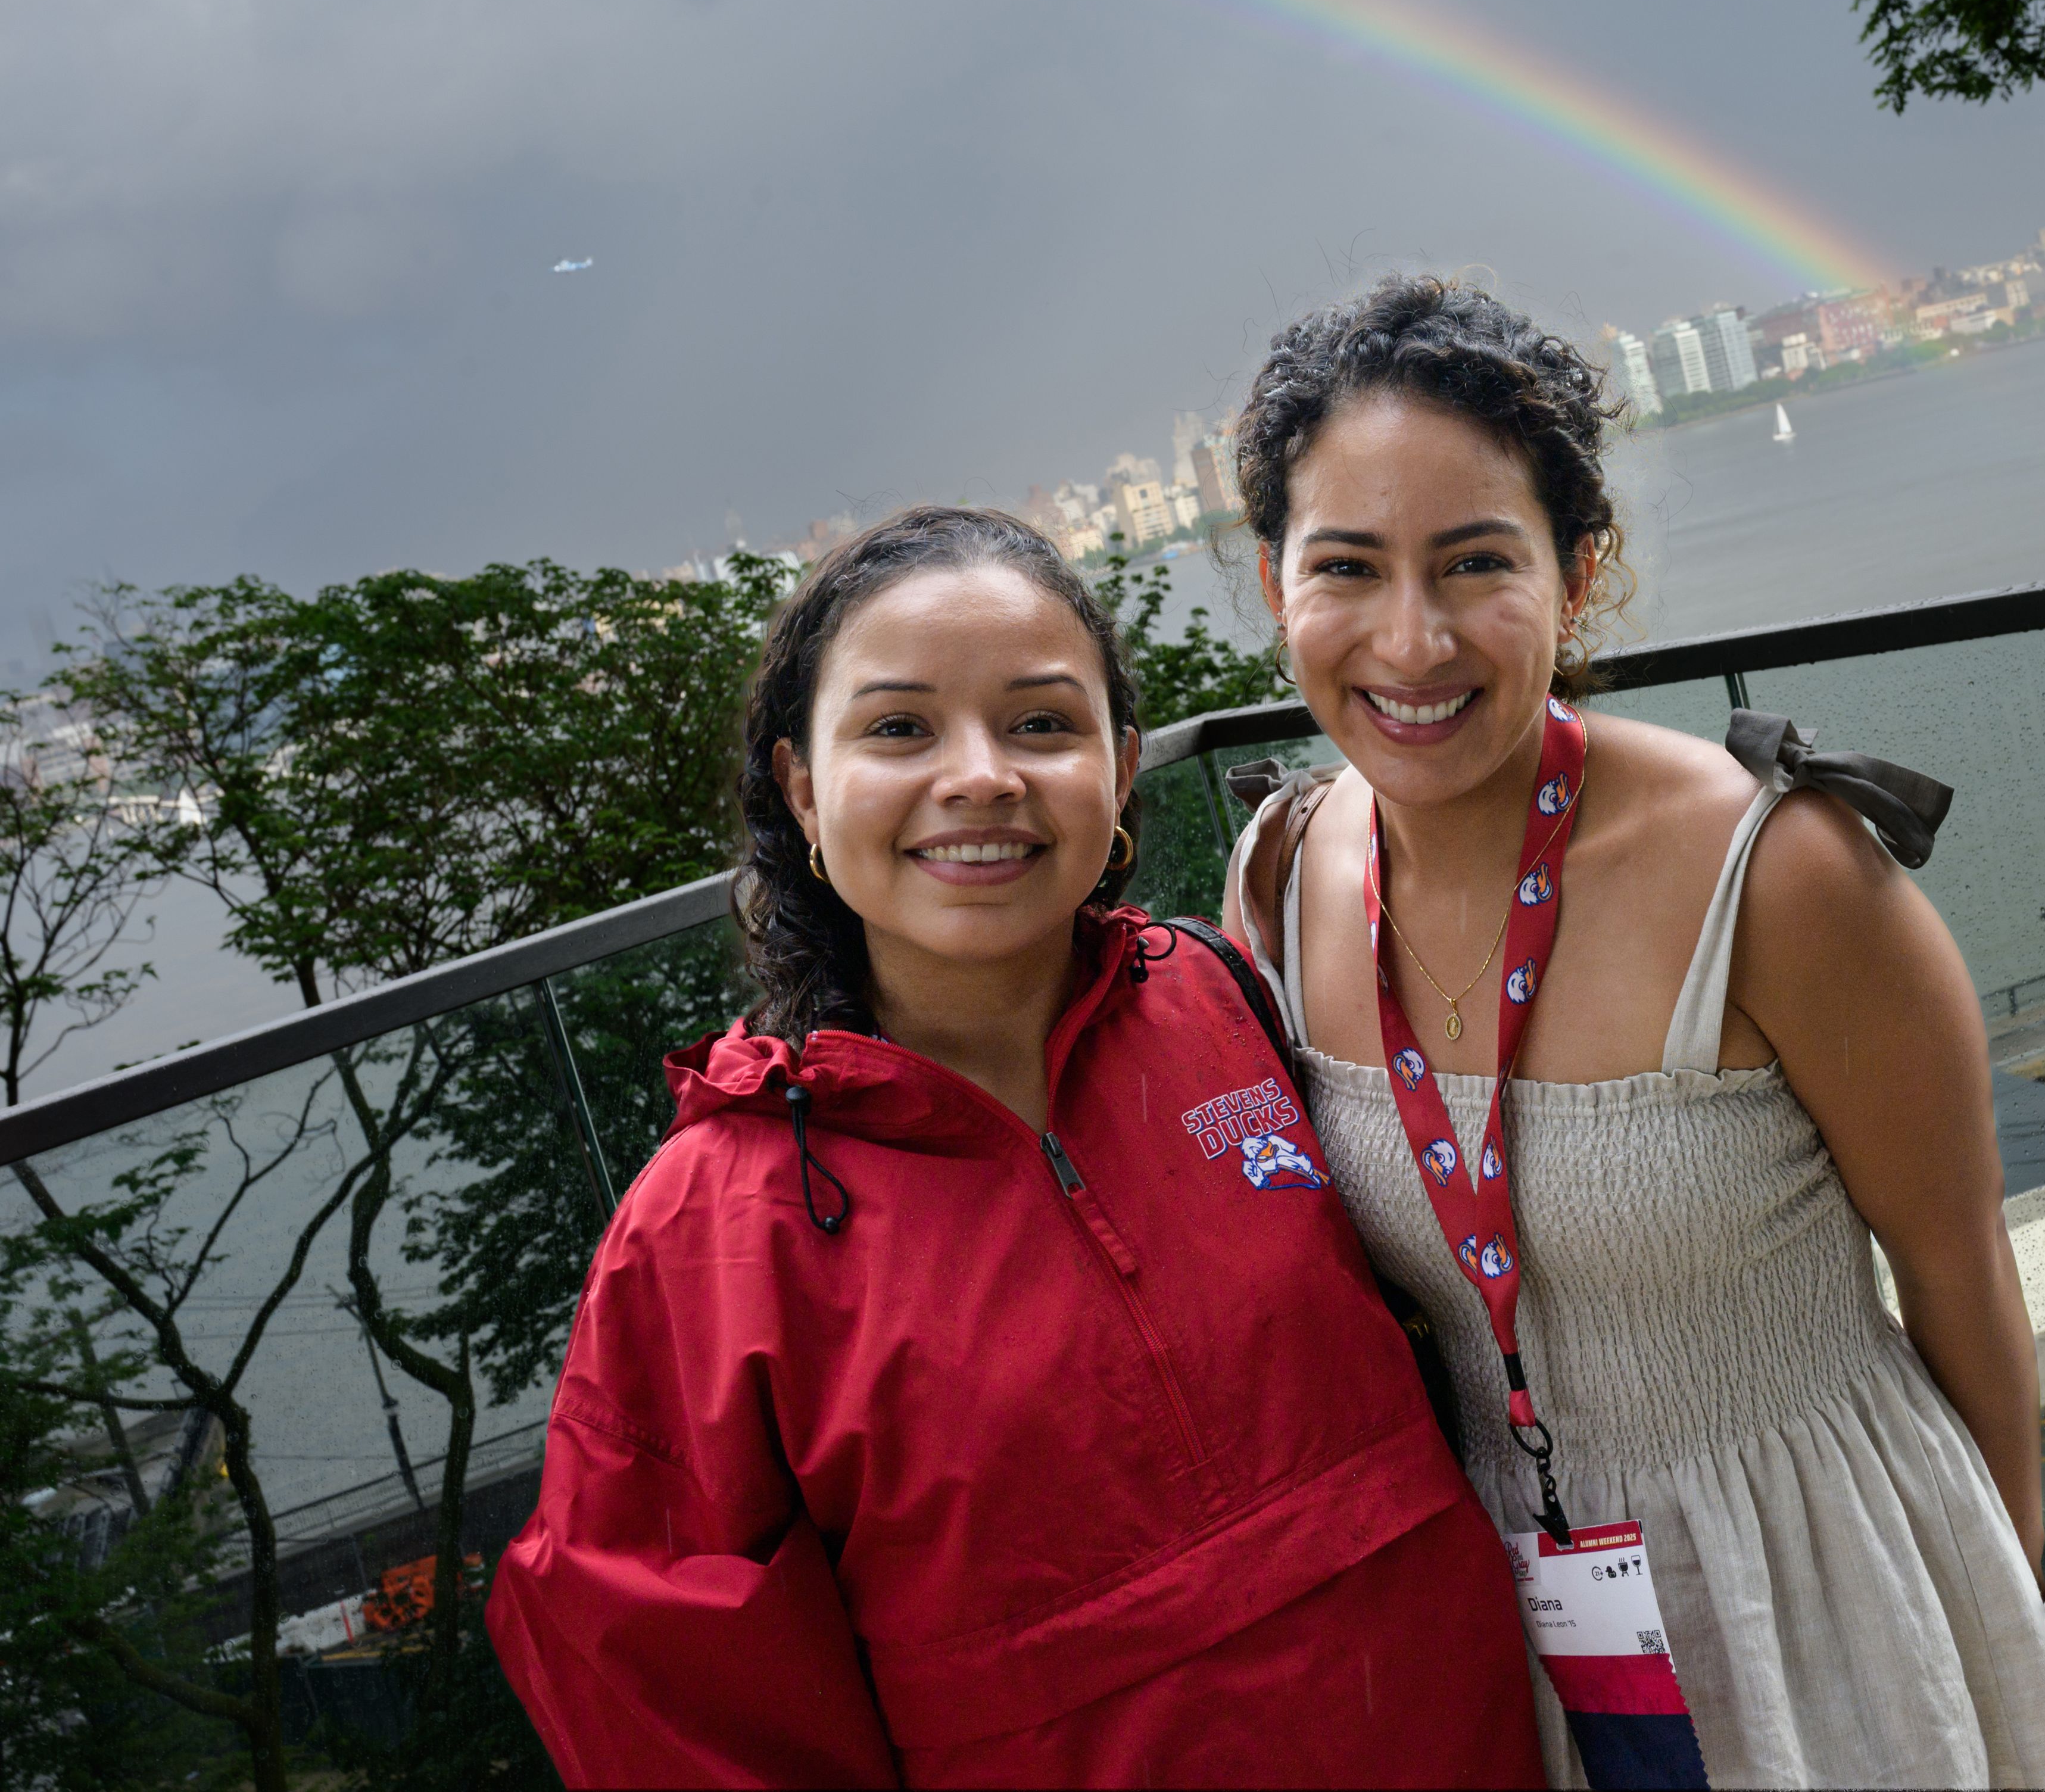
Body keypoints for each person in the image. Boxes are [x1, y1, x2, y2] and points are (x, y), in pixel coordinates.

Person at [487, 506, 1544, 1789]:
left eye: (1042, 722)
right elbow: (671, 1715)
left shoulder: (1228, 1002)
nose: (980, 774)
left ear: (1120, 766)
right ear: (803, 790)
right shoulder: (708, 1235)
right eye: (898, 728)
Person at [1221, 279, 2045, 1790]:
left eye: (1474, 561)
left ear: (1579, 571)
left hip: (1836, 1595)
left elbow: (1959, 1275)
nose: (1411, 637)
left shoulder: (1782, 872)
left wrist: (1989, 1631)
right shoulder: (1278, 876)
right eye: (1348, 567)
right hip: (1501, 1637)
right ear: (1272, 582)